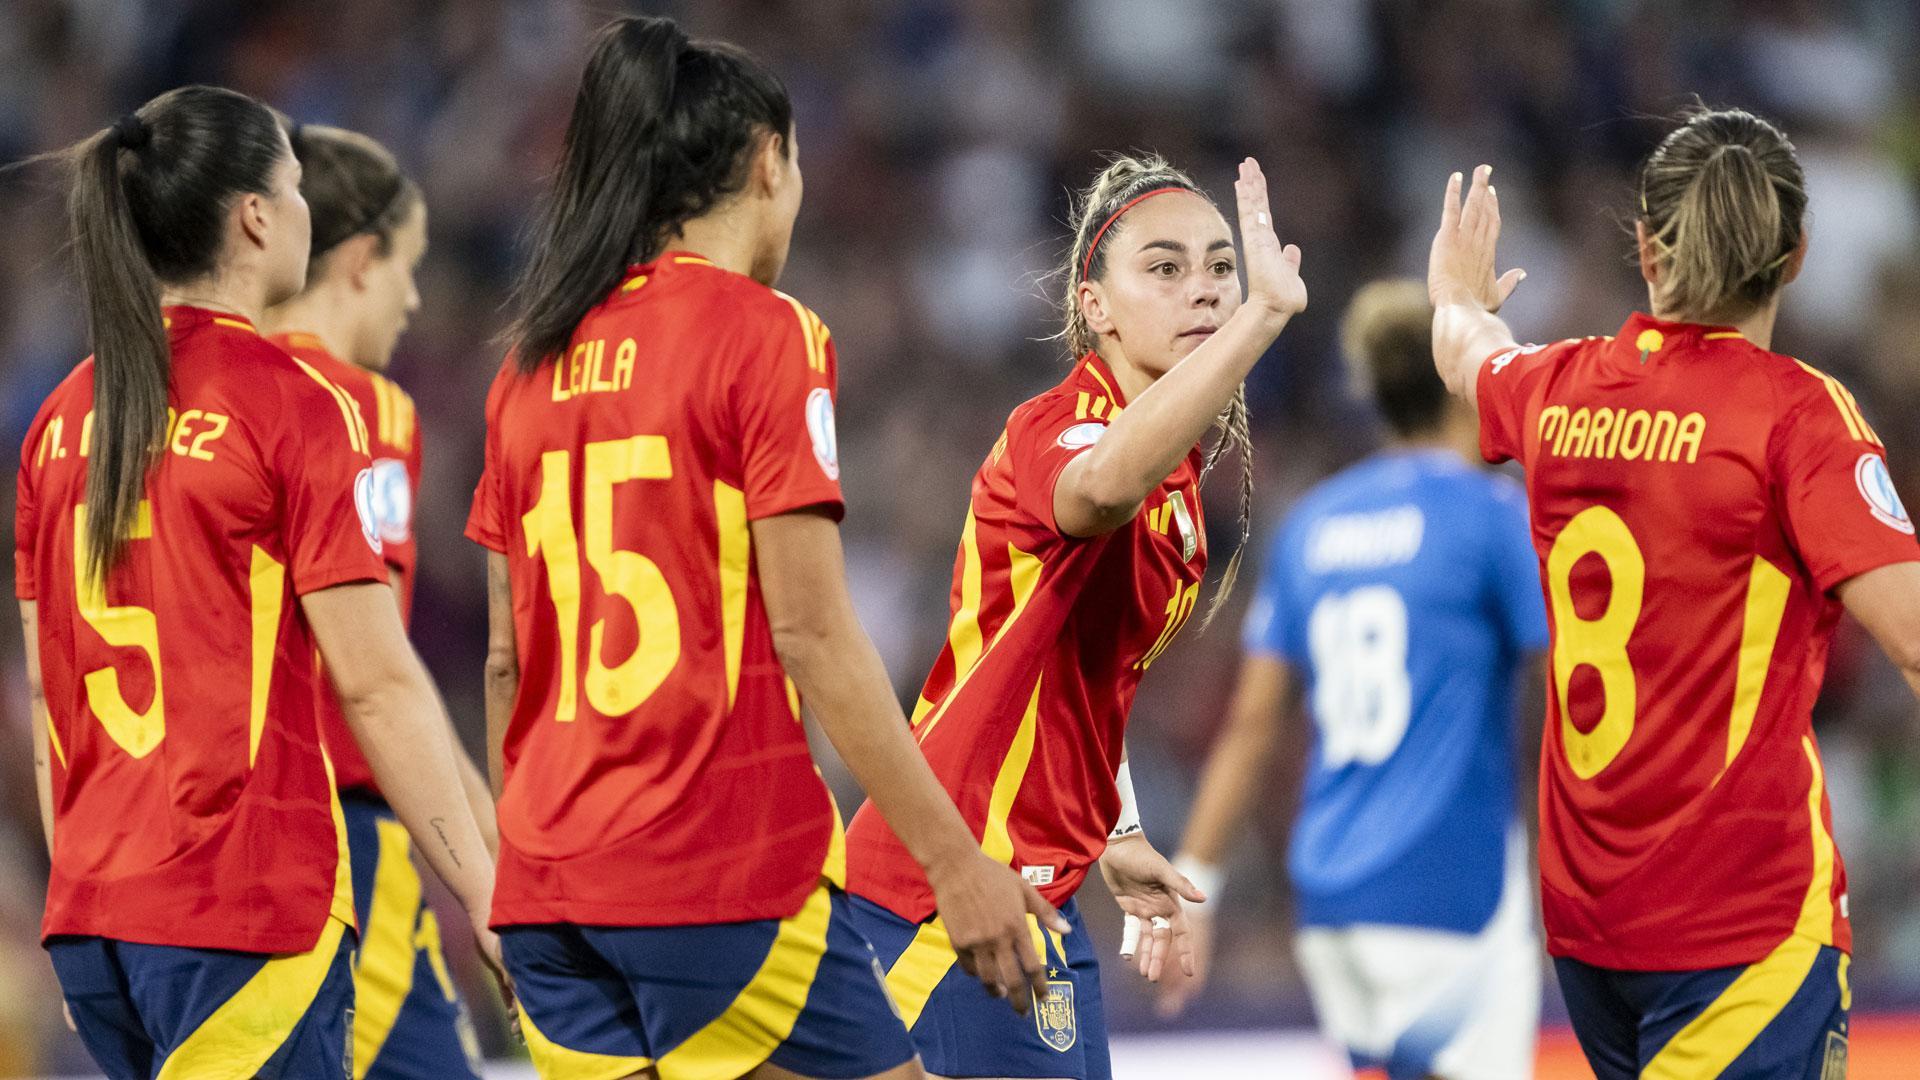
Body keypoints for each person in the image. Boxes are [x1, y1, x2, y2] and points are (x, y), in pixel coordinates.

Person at [467, 17, 1057, 1080]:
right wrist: (952, 862)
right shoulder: (763, 331)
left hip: (548, 886)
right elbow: (813, 630)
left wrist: (517, 873)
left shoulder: (529, 367)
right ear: (766, 161)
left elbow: (508, 662)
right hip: (710, 865)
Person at [15, 86, 497, 1080]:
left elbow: (47, 700)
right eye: (294, 185)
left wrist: (79, 900)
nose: (309, 209)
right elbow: (375, 683)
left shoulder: (57, 424)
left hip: (98, 919)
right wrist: (486, 894)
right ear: (255, 215)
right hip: (233, 911)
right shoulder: (294, 407)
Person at [1429, 108, 1920, 1078]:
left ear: (1647, 246)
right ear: (1795, 256)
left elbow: (1466, 349)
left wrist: (1452, 289)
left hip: (1588, 931)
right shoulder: (1797, 418)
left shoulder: (1559, 390)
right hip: (1743, 927)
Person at [843, 152, 1309, 1080]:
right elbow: (1096, 489)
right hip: (950, 884)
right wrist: (1259, 319)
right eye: (1165, 269)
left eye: (1222, 268)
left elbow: (1089, 675)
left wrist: (1117, 828)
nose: (1206, 291)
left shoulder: (1177, 480)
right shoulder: (1058, 429)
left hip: (1042, 884)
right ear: (1095, 306)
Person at [1157, 279, 1546, 1080]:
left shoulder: (1314, 526)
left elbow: (1251, 726)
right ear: (1462, 382)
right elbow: (1569, 687)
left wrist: (1195, 881)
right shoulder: (1492, 516)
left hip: (1330, 896)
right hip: (1450, 891)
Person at [263, 123, 492, 1080]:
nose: (413, 296)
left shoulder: (177, 400)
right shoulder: (362, 410)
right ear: (358, 261)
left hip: (198, 848)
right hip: (343, 843)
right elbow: (375, 680)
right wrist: (491, 872)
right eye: (408, 264)